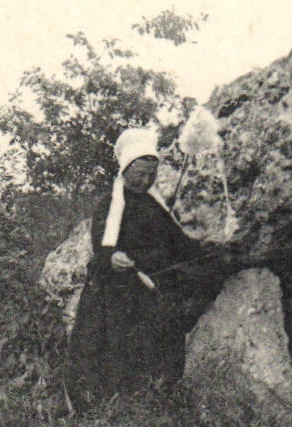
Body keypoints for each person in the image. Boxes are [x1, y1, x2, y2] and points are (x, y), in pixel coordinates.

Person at [66, 127, 211, 411]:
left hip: (151, 288)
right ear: (126, 170)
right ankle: (110, 412)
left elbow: (178, 243)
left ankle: (152, 407)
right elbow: (102, 242)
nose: (146, 180)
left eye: (151, 175)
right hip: (116, 291)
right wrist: (113, 256)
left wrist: (203, 251)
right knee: (113, 350)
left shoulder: (155, 206)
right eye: (141, 174)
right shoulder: (110, 202)